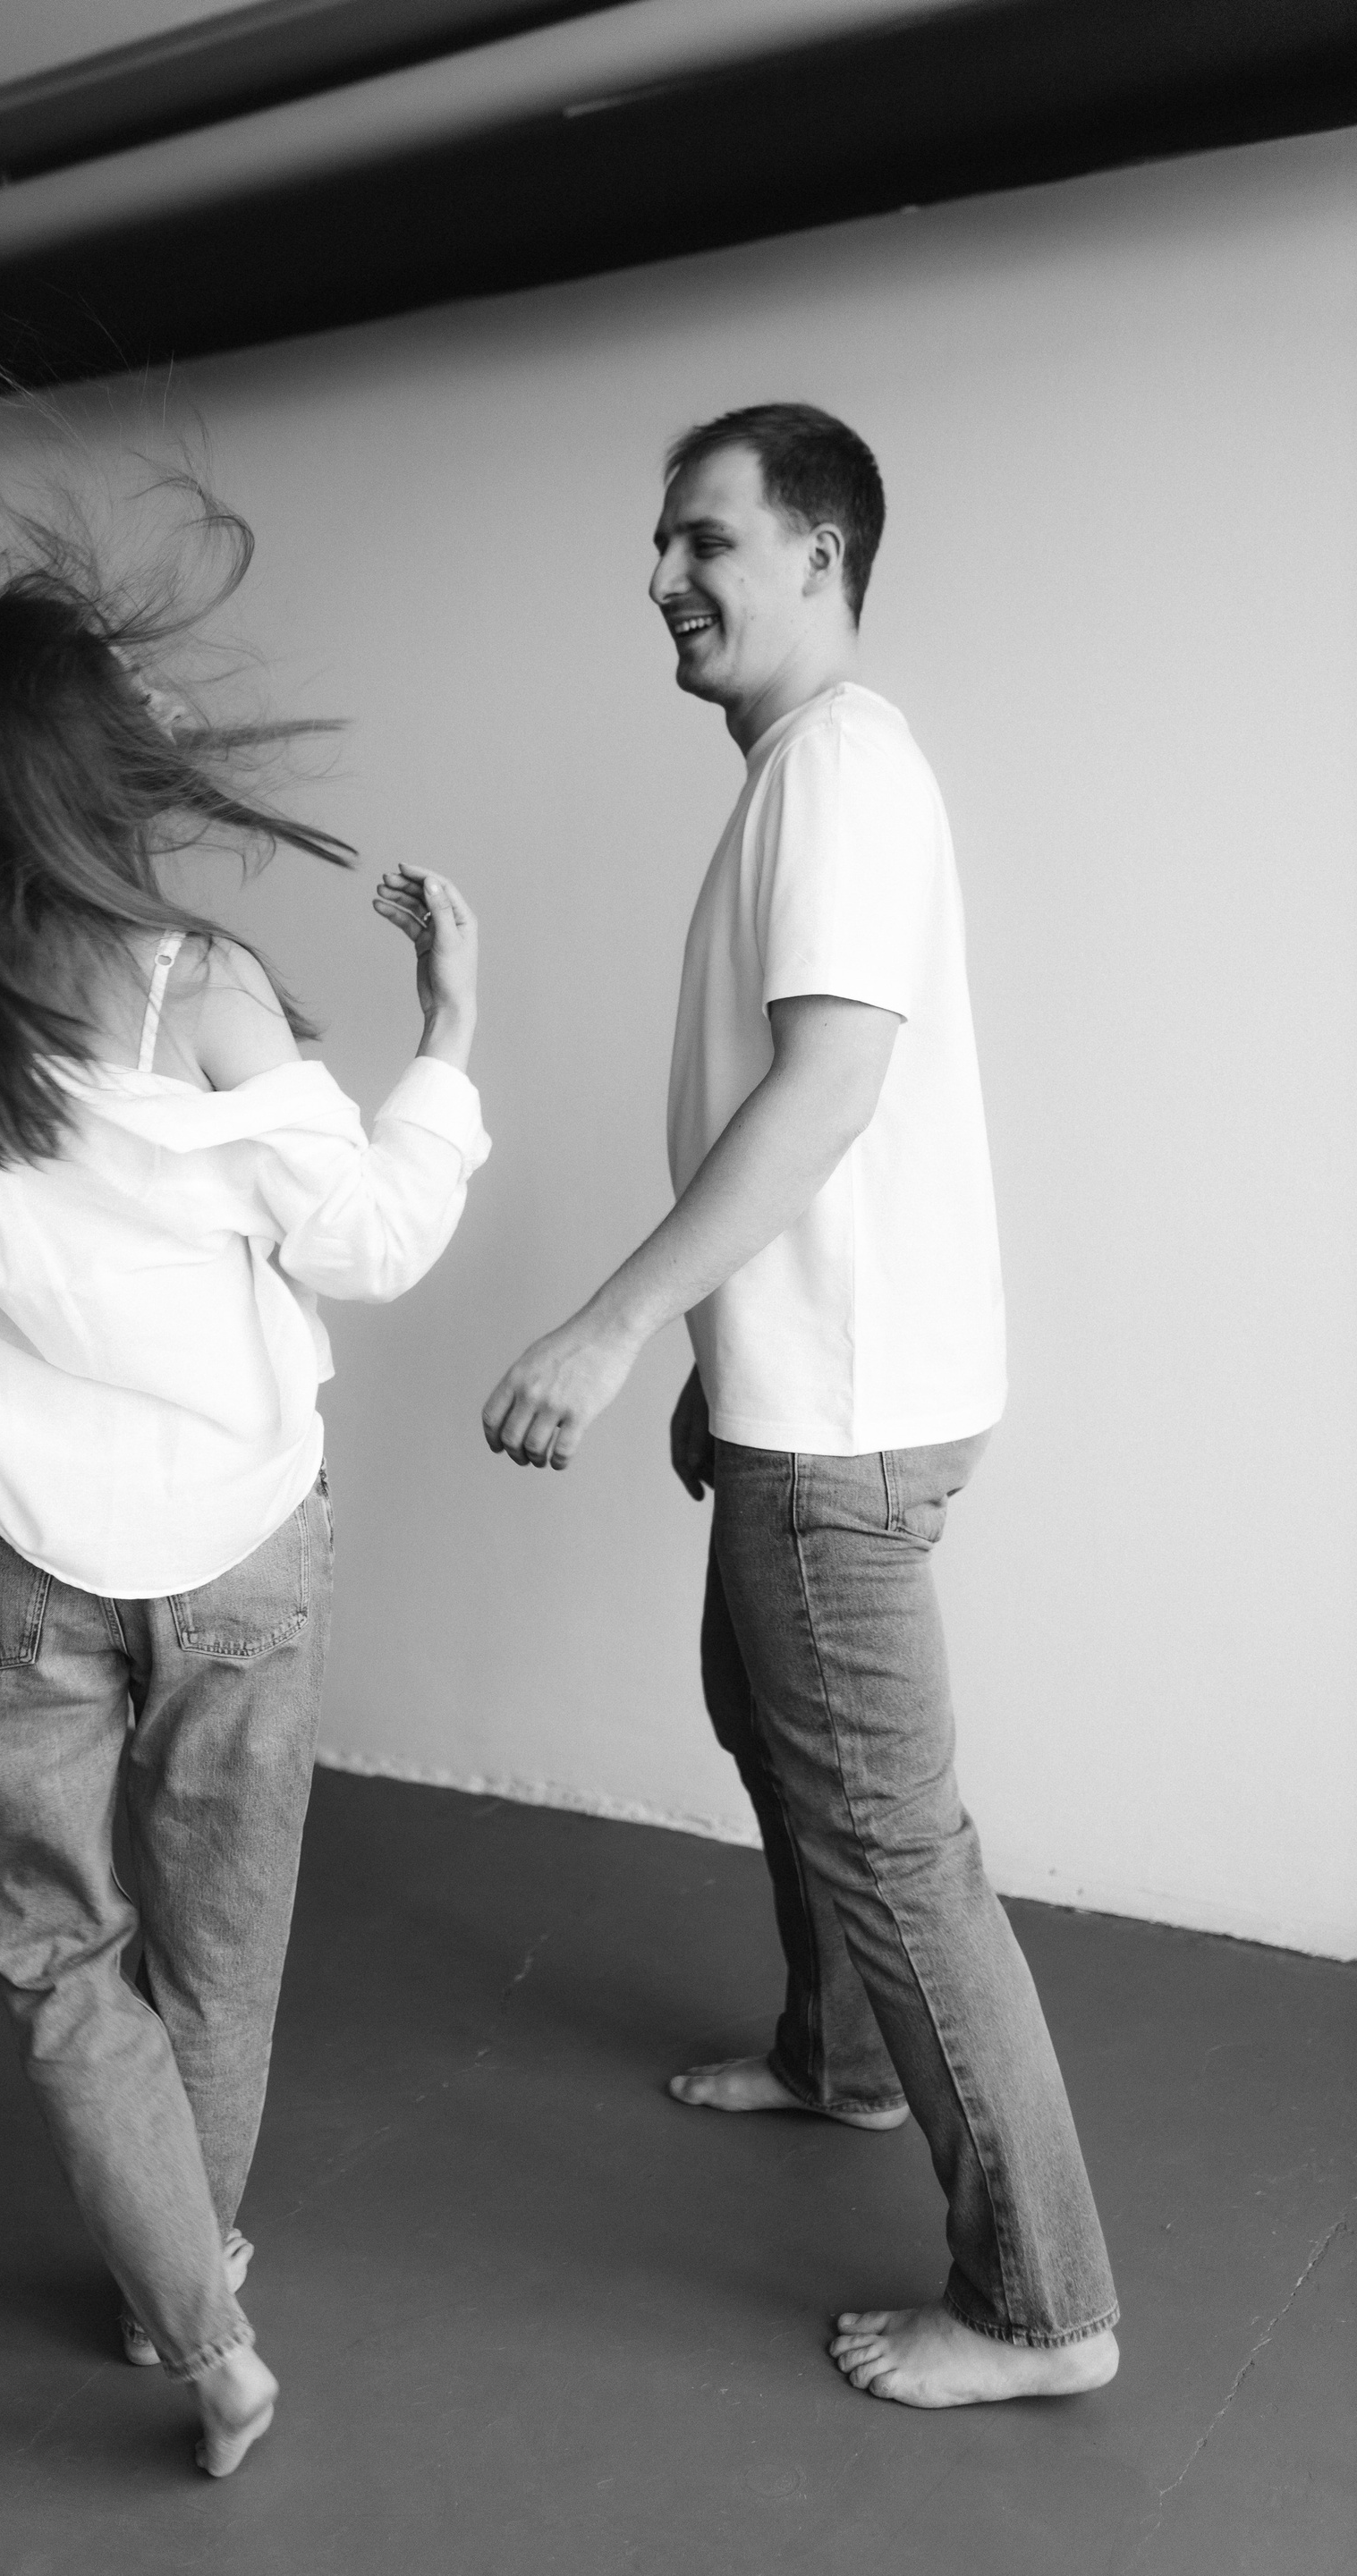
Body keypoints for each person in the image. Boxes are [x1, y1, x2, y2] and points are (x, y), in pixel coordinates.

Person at [0, 509, 488, 2477]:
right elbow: (370, 1239)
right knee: (218, 1949)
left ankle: (203, 2327)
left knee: (60, 1944)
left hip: (3, 1536)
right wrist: (450, 1036)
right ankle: (187, 2291)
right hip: (242, 1529)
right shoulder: (202, 985)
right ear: (90, 769)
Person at [481, 402, 1118, 2408]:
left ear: (821, 556)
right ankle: (842, 2060)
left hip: (843, 1416)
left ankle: (1043, 2310)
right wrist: (714, 1361)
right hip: (810, 1385)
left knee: (898, 1846)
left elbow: (831, 1088)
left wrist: (612, 1328)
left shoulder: (836, 761)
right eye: (662, 543)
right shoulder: (806, 772)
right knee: (767, 1722)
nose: (664, 577)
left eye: (707, 539)